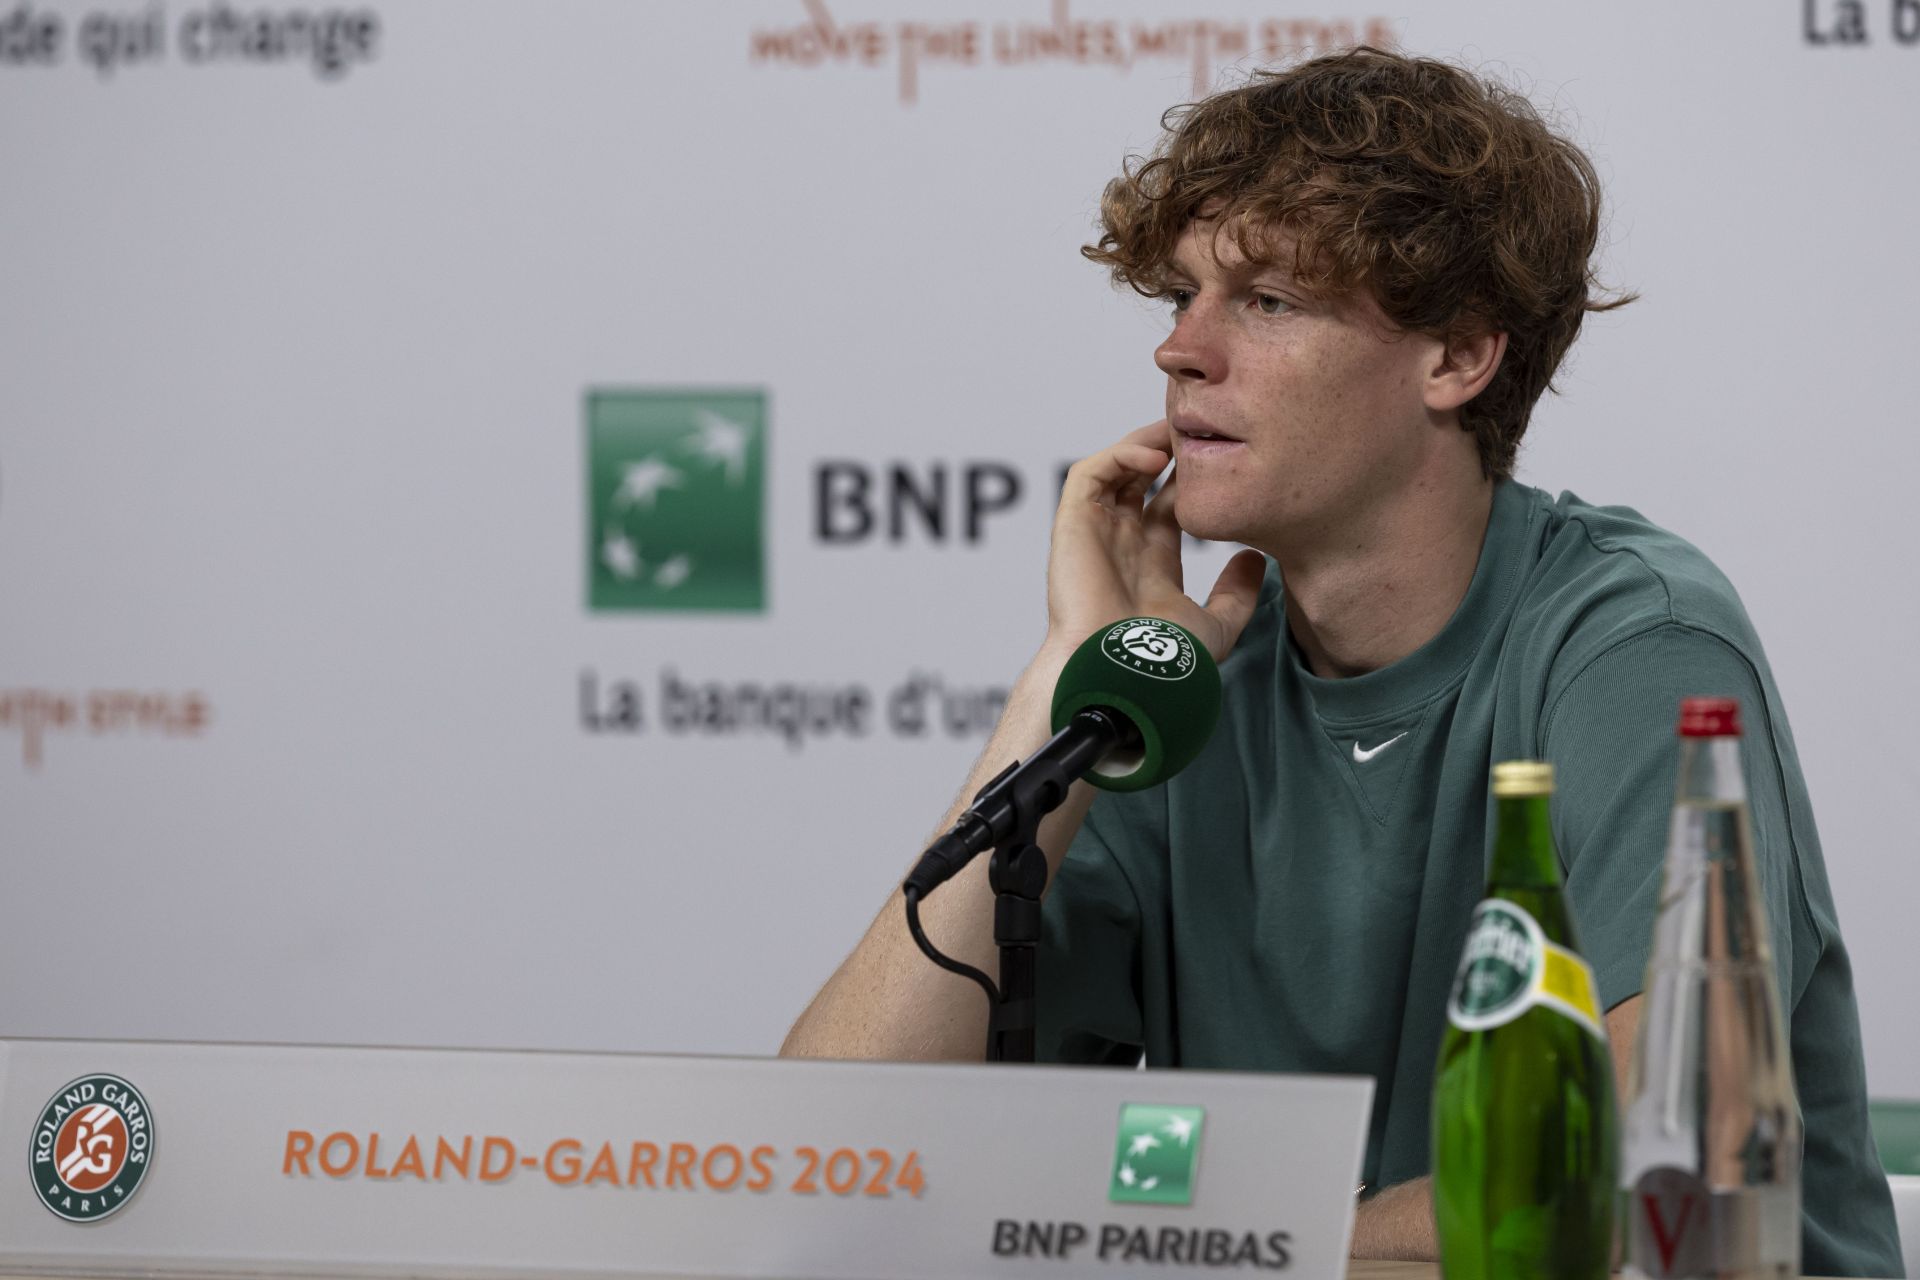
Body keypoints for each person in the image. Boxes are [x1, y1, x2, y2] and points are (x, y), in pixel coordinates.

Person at [780, 46, 1902, 1274]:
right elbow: (841, 1156)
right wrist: (1073, 678)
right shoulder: (1180, 697)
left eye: (1265, 300)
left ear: (1459, 356)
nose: (1181, 351)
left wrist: (1245, 1240)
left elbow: (1654, 1158)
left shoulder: (1637, 644)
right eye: (1180, 296)